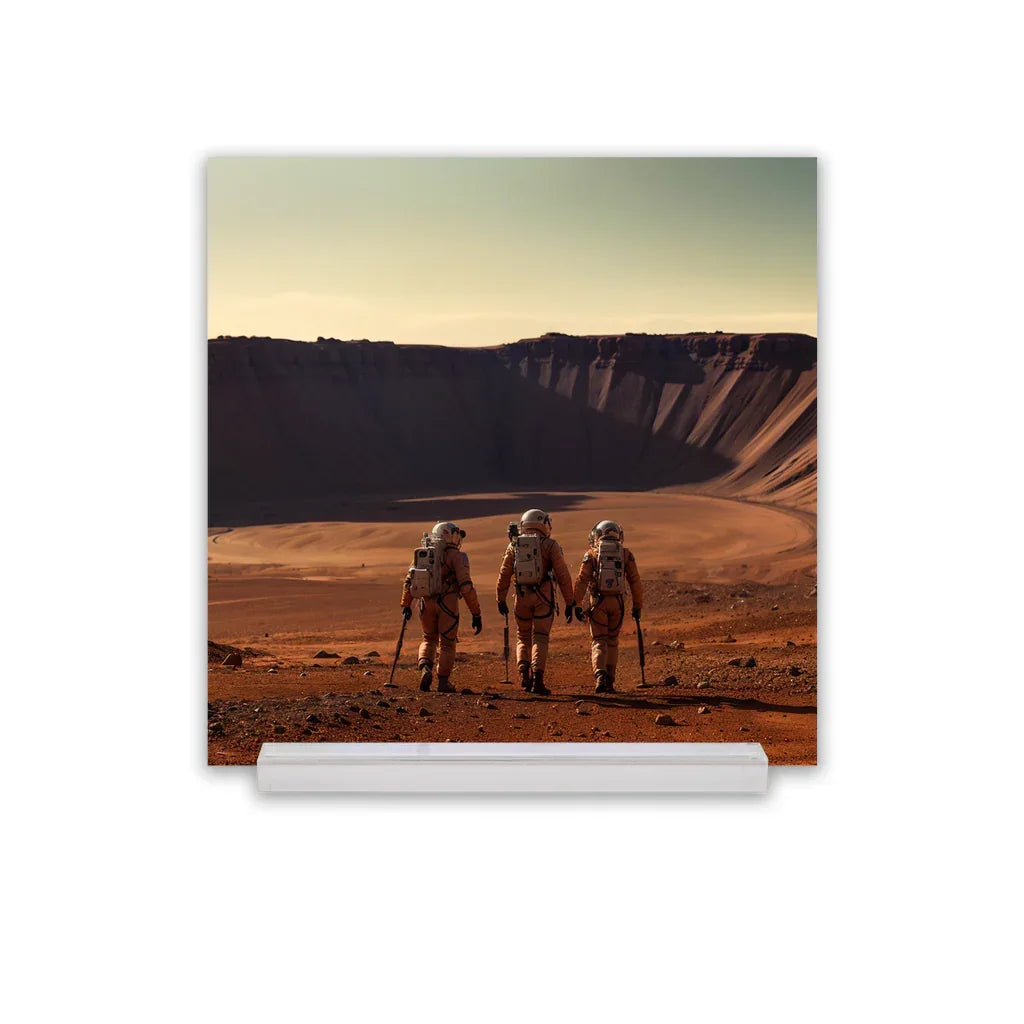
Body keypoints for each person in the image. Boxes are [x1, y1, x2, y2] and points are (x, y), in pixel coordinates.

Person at [496, 508, 576, 695]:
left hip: (521, 597)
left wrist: (500, 598)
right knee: (540, 637)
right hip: (543, 598)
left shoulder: (514, 546)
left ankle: (524, 674)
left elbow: (504, 573)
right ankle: (537, 680)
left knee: (523, 636)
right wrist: (570, 602)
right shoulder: (550, 545)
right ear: (544, 524)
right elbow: (563, 575)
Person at [400, 521, 482, 692]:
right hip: (448, 604)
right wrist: (476, 613)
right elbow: (466, 587)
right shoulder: (457, 557)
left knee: (428, 639)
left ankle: (425, 668)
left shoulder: (423, 553)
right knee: (447, 644)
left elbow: (410, 581)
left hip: (425, 603)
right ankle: (443, 682)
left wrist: (406, 605)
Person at [572, 520, 643, 693]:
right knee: (612, 641)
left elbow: (582, 581)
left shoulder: (592, 554)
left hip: (598, 603)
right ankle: (610, 679)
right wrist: (637, 606)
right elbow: (635, 582)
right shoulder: (625, 554)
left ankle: (600, 675)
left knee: (598, 641)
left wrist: (576, 604)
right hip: (617, 603)